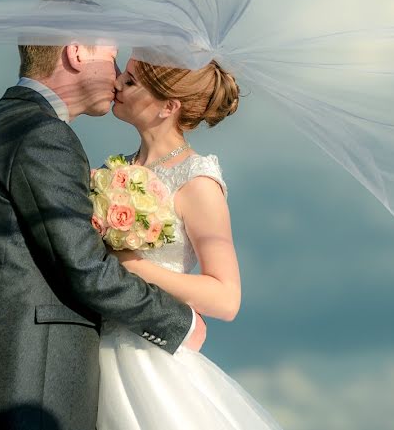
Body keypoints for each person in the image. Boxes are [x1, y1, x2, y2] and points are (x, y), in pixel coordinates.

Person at [0, 43, 206, 430]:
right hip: (29, 390)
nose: (116, 73)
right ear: (77, 53)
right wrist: (179, 322)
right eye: (112, 56)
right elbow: (85, 266)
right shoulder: (42, 134)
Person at [95, 55, 283, 429]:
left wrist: (136, 268)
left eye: (130, 81)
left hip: (148, 360)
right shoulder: (113, 173)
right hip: (91, 350)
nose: (116, 83)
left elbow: (226, 297)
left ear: (169, 106)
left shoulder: (197, 182)